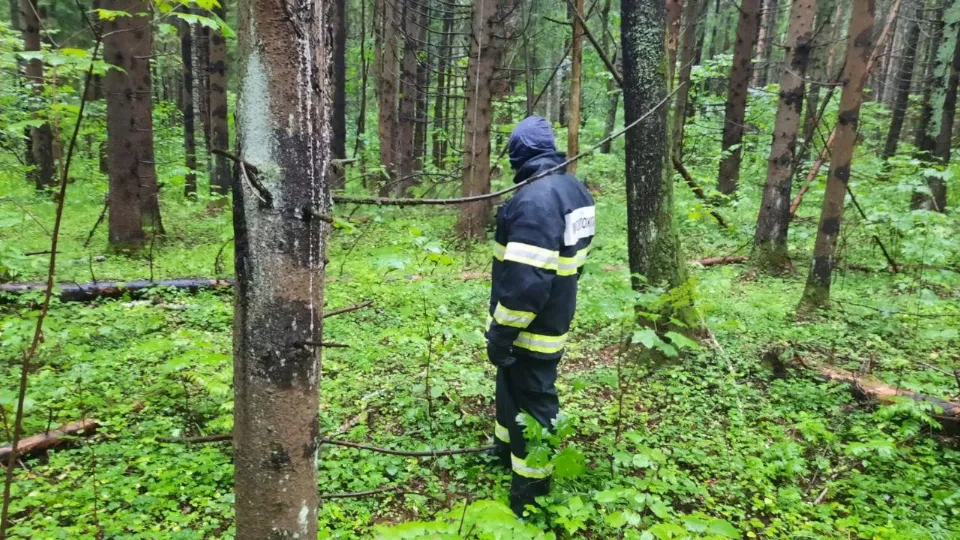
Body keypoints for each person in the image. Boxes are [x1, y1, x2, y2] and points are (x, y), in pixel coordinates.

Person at [485, 116, 595, 515]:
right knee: (510, 387)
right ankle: (503, 449)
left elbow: (526, 286)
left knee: (534, 399)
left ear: (518, 155)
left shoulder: (534, 201)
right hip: (555, 315)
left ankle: (532, 495)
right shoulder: (574, 189)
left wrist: (501, 335)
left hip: (530, 328)